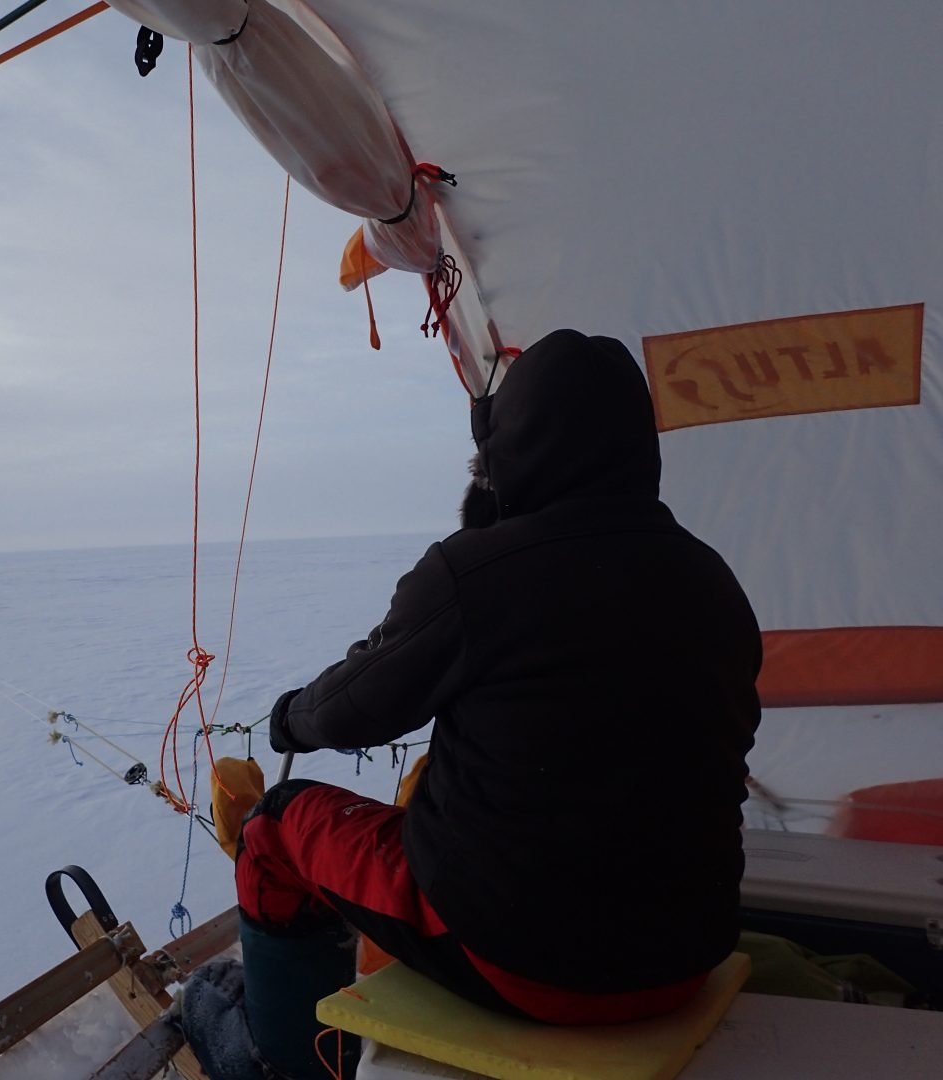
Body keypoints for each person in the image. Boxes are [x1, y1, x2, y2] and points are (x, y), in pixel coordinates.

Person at [179, 329, 763, 1080]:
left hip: (525, 961)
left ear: (515, 454)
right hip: (687, 954)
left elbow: (354, 706)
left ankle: (280, 1056)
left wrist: (291, 715)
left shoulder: (476, 573)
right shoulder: (713, 581)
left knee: (275, 826)